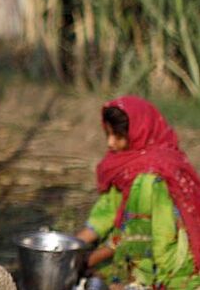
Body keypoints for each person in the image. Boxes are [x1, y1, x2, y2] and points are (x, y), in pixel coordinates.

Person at [76, 96, 200, 289]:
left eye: (117, 136)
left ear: (137, 132)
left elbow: (138, 236)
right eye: (107, 134)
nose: (110, 142)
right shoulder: (123, 165)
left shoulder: (150, 178)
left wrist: (89, 259)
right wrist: (70, 246)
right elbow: (108, 209)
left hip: (168, 267)